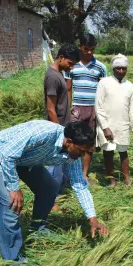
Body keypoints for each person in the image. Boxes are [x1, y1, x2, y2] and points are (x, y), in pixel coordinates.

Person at [0, 120, 109, 263]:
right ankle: (12, 259)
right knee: (10, 202)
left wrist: (93, 219)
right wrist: (14, 187)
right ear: (69, 142)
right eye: (82, 151)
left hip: (22, 160)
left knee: (49, 187)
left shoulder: (73, 154)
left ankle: (38, 229)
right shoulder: (43, 133)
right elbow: (7, 155)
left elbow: (79, 185)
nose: (83, 155)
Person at [65, 34, 107, 183]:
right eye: (86, 49)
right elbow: (68, 88)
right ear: (80, 46)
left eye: (92, 49)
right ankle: (70, 173)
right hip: (76, 108)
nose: (89, 52)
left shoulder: (100, 67)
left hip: (93, 109)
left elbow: (104, 90)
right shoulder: (72, 65)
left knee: (89, 143)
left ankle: (84, 174)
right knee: (74, 140)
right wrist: (69, 107)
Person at [44, 43, 81, 209]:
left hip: (63, 125)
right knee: (54, 165)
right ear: (61, 57)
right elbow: (50, 108)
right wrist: (58, 132)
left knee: (61, 164)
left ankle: (58, 191)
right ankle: (50, 200)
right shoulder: (52, 77)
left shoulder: (60, 74)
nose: (71, 67)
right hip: (56, 127)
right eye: (70, 63)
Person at [95, 54, 133, 186]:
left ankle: (126, 179)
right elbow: (98, 106)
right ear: (113, 69)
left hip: (123, 124)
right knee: (108, 152)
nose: (121, 71)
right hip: (107, 124)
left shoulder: (130, 87)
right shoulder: (104, 83)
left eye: (123, 68)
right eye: (118, 68)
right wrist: (105, 127)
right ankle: (112, 180)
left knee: (123, 152)